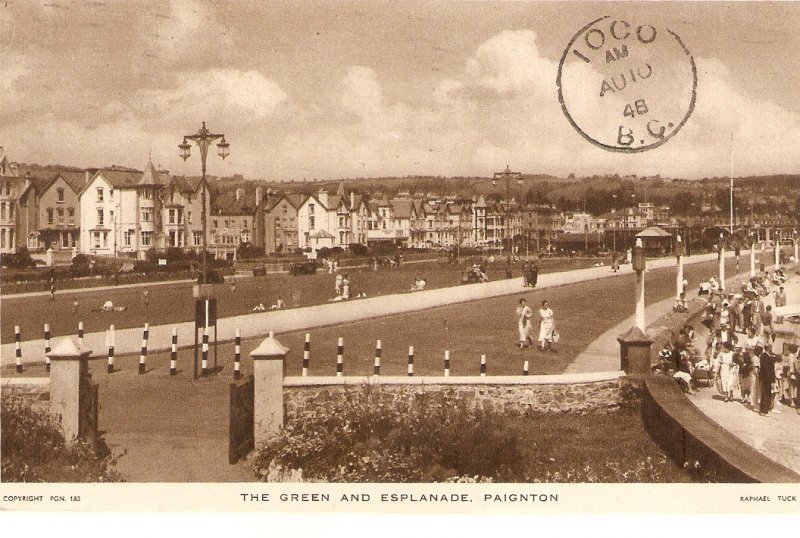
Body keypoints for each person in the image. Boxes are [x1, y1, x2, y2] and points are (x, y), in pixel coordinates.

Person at [758, 346, 777, 416]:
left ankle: (764, 409)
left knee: (765, 393)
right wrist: (771, 380)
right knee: (766, 394)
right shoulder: (765, 356)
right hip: (767, 378)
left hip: (765, 378)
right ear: (769, 348)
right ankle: (764, 410)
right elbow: (767, 369)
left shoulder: (764, 356)